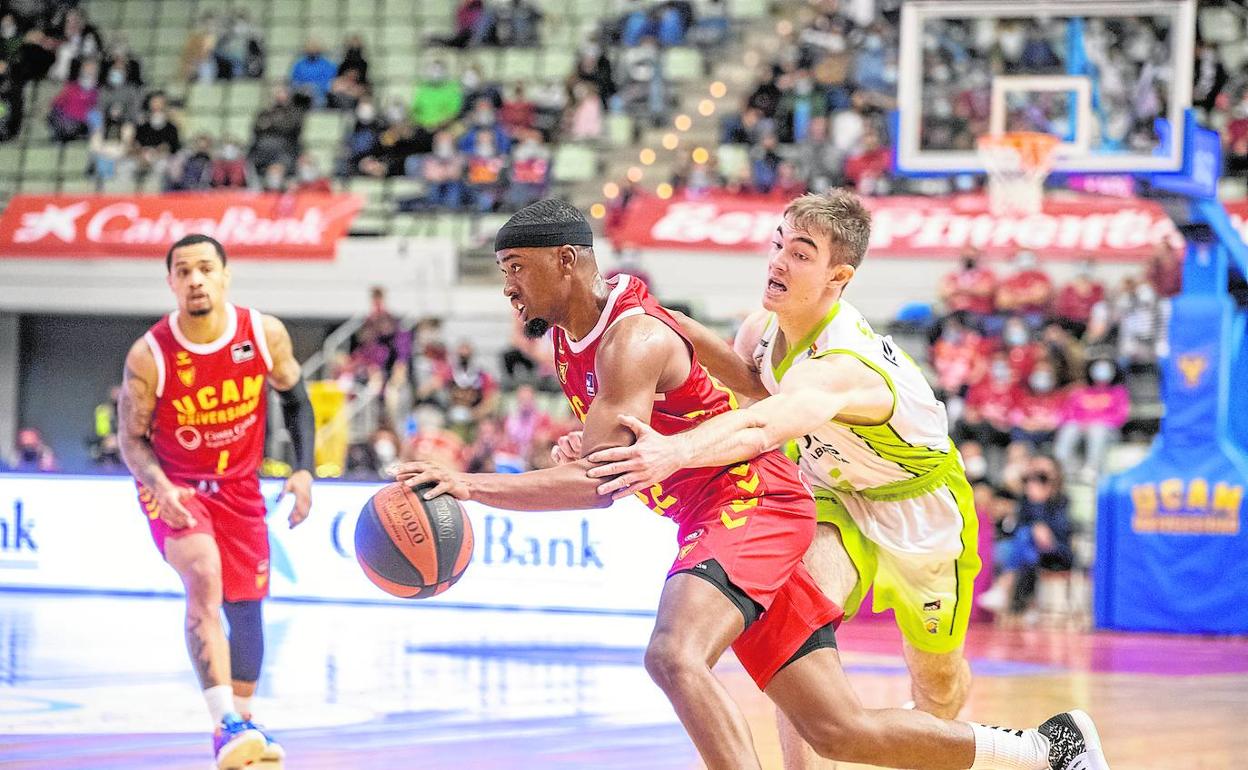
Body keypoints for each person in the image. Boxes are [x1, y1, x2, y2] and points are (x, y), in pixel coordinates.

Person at [396, 199, 1110, 770]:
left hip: (859, 502)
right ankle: (1049, 751)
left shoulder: (815, 360)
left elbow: (745, 428)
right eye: (777, 244)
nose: (507, 284)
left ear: (565, 260)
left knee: (683, 655)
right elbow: (727, 379)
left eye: (515, 268)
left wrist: (470, 484)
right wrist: (603, 441)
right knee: (834, 726)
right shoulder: (626, 330)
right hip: (814, 493)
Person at [117, 234, 317, 770]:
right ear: (171, 282)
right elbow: (130, 439)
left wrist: (303, 470)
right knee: (204, 575)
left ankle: (244, 724)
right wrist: (160, 487)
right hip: (177, 486)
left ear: (226, 275)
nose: (196, 280)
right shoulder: (150, 354)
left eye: (205, 268)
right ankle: (224, 722)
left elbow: (296, 400)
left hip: (240, 487)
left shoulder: (263, 333)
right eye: (183, 271)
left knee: (246, 609)